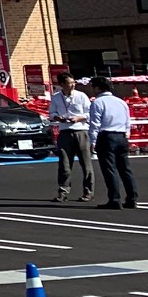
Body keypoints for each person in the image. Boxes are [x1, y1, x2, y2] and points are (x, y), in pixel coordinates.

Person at [88, 77, 138, 210]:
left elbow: (95, 124)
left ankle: (115, 199)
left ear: (97, 88)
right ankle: (132, 198)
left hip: (106, 136)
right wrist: (127, 134)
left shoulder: (97, 102)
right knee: (125, 168)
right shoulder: (121, 102)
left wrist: (93, 140)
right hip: (121, 135)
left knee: (110, 169)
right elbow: (127, 121)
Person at [49, 74, 93, 203]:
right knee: (64, 164)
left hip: (81, 131)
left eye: (73, 82)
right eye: (69, 83)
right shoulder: (56, 97)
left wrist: (78, 118)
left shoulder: (81, 96)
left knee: (86, 164)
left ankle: (88, 192)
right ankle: (63, 192)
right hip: (64, 131)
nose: (73, 85)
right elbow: (51, 113)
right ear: (62, 84)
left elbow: (89, 113)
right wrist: (58, 118)